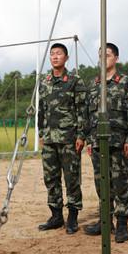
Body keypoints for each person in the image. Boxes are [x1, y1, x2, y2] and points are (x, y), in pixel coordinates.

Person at [83, 42, 128, 243]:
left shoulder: (124, 82)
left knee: (120, 182)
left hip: (118, 141)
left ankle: (122, 224)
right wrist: (89, 139)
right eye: (100, 55)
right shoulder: (95, 84)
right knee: (101, 182)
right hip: (98, 142)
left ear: (115, 58)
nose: (102, 58)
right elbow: (88, 115)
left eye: (106, 55)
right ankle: (105, 221)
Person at [37, 42, 87, 234]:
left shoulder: (75, 81)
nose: (55, 56)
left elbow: (82, 110)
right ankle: (56, 215)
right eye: (52, 54)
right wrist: (41, 133)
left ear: (66, 58)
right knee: (50, 178)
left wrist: (81, 135)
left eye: (59, 54)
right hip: (49, 139)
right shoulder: (44, 81)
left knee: (72, 177)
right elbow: (41, 110)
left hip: (69, 138)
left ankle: (72, 217)